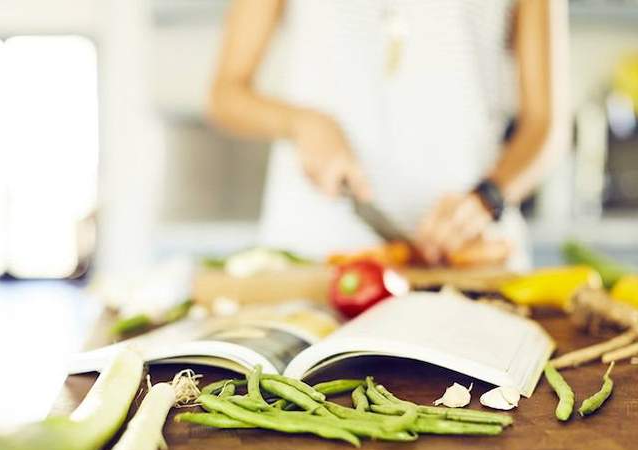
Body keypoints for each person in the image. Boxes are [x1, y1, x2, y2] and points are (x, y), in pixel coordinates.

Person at [209, 0, 569, 268]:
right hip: (316, 248)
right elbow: (225, 94)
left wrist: (487, 198)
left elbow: (545, 125)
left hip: (469, 250)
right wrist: (302, 122)